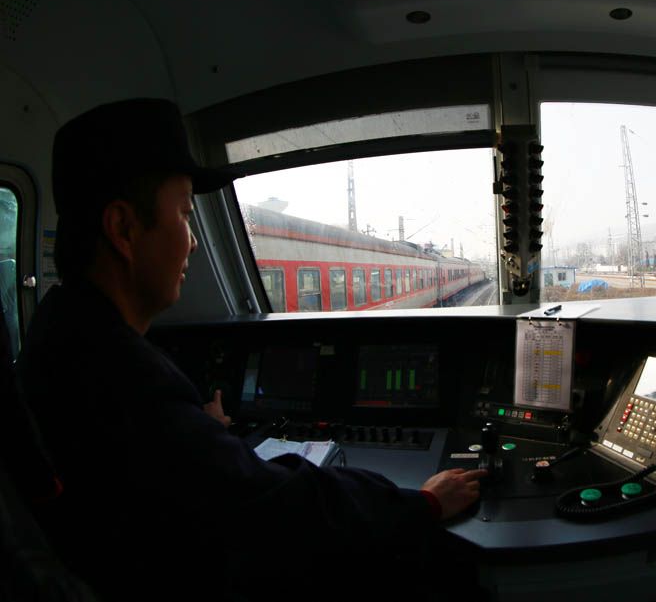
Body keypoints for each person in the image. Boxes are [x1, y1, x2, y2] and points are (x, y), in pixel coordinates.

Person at [15, 98, 487, 601]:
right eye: (184, 213)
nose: (194, 242)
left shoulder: (56, 339)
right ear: (124, 229)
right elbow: (277, 505)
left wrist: (200, 434)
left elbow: (166, 467)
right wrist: (419, 504)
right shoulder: (121, 378)